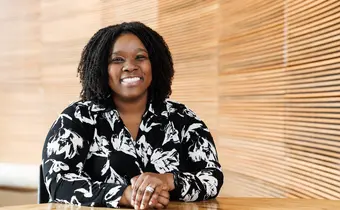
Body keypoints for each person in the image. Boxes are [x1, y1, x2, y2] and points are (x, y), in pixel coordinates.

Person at [41, 21, 224, 209]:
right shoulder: (76, 118)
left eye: (140, 57)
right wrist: (125, 195)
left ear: (156, 64)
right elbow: (58, 182)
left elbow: (212, 177)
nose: (130, 66)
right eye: (117, 60)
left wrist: (168, 181)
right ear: (101, 68)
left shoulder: (183, 118)